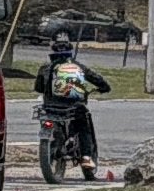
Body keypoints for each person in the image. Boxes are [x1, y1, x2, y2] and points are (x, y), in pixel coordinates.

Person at [41, 31, 109, 163]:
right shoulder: (78, 66)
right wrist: (104, 87)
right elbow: (96, 78)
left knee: (48, 120)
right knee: (84, 124)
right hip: (74, 107)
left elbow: (38, 87)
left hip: (50, 107)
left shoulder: (46, 68)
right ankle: (86, 157)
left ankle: (58, 142)